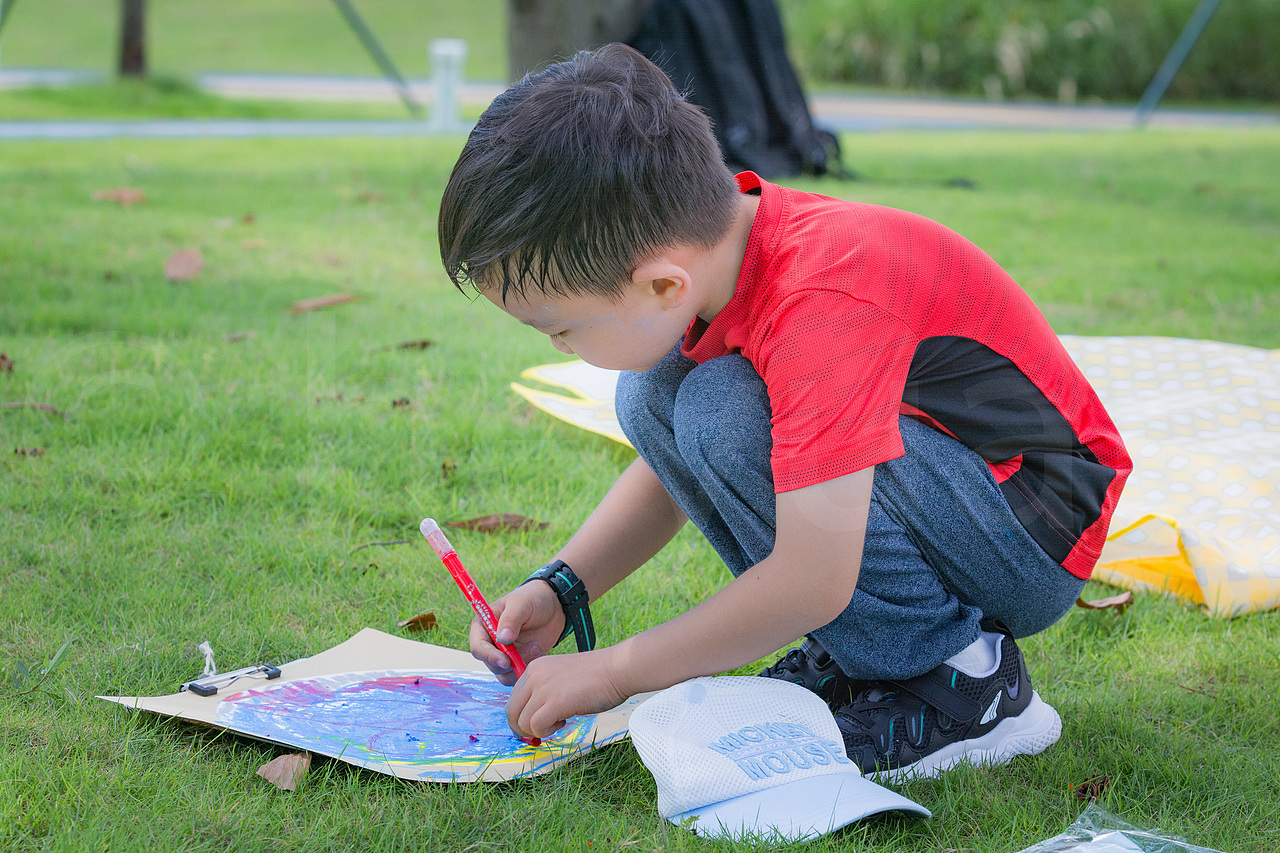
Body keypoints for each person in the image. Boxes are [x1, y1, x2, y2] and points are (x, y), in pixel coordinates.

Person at [437, 43, 1131, 779]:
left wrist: (613, 672)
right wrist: (562, 586)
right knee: (659, 392)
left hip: (1034, 531)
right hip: (965, 489)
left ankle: (963, 680)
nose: (563, 345)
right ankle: (869, 653)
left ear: (664, 285)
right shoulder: (729, 253)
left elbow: (811, 577)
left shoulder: (818, 305)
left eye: (562, 328)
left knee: (715, 408)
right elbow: (666, 475)